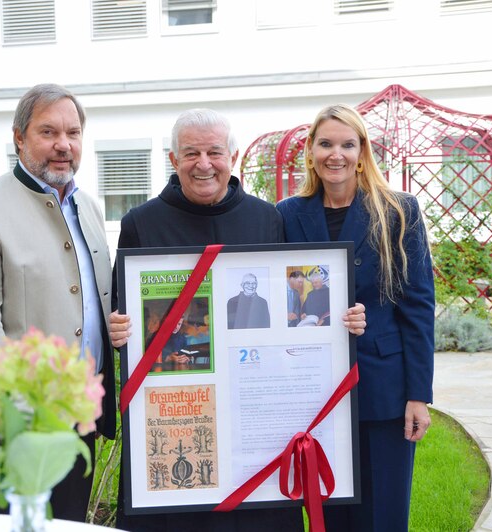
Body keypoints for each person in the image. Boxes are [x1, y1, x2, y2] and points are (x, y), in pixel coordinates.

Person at [108, 108, 366, 531]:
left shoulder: (268, 218)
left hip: (258, 411)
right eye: (191, 153)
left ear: (234, 156)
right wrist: (119, 329)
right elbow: (126, 312)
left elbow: (293, 304)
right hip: (178, 408)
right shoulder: (141, 223)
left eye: (214, 152)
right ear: (173, 161)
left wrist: (342, 320)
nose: (204, 164)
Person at [0, 83, 116, 522]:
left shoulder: (89, 208)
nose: (63, 145)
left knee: (70, 527)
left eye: (73, 133)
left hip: (80, 421)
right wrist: (22, 413)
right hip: (15, 427)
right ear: (19, 137)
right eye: (48, 132)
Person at [276, 103, 434, 531]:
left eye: (348, 144)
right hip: (314, 391)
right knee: (329, 513)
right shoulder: (287, 214)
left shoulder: (399, 210)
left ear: (362, 152)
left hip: (383, 388)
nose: (336, 154)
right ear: (310, 151)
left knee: (383, 514)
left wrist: (419, 394)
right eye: (325, 143)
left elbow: (419, 308)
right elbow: (280, 293)